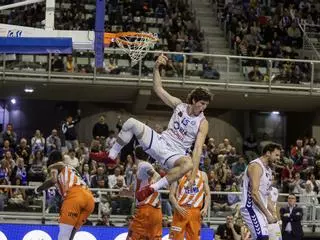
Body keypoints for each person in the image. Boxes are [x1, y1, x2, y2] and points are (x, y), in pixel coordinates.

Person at [90, 54, 211, 202]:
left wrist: (193, 176)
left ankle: (151, 189)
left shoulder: (203, 122)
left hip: (175, 154)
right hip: (159, 141)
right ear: (194, 100)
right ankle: (111, 156)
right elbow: (158, 88)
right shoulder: (179, 105)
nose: (203, 107)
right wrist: (156, 67)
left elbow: (198, 149)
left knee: (188, 164)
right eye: (202, 103)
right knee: (131, 122)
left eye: (206, 105)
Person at [35, 151, 95, 240]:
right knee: (71, 234)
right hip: (89, 198)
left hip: (75, 196)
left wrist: (37, 189)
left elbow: (53, 180)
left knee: (63, 236)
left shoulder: (55, 166)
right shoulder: (71, 167)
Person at [240, 143, 281, 240]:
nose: (279, 158)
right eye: (276, 155)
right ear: (268, 153)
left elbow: (266, 196)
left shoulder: (269, 170)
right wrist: (267, 214)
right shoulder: (256, 166)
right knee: (262, 237)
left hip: (260, 209)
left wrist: (274, 214)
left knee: (262, 237)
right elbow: (254, 194)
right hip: (250, 207)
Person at [125, 146, 162, 240]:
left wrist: (151, 185)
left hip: (146, 210)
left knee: (131, 237)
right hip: (156, 210)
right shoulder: (140, 170)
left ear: (134, 154)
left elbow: (156, 175)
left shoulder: (143, 165)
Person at [168, 169, 211, 240]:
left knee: (194, 238)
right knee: (176, 237)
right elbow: (171, 195)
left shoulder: (203, 175)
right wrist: (177, 207)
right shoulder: (178, 174)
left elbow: (207, 194)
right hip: (181, 210)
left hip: (195, 211)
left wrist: (205, 208)